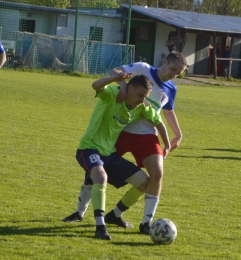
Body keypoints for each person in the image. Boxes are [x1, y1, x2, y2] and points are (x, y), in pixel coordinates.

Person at [63, 51, 187, 235]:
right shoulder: (143, 69)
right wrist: (122, 85)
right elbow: (115, 71)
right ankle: (80, 212)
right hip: (120, 131)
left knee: (156, 174)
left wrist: (177, 134)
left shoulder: (170, 90)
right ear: (165, 61)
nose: (174, 74)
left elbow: (166, 113)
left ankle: (142, 222)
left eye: (178, 73)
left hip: (146, 135)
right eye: (173, 69)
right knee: (95, 172)